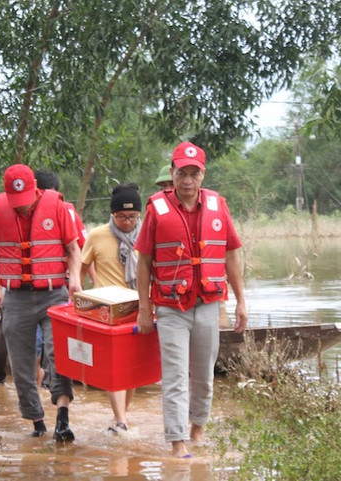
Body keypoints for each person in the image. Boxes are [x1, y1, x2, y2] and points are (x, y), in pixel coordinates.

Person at [135, 142, 248, 458]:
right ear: (172, 173)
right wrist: (144, 309)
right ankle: (177, 442)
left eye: (193, 173)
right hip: (171, 308)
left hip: (208, 305)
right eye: (181, 173)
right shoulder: (156, 209)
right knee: (174, 377)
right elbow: (143, 261)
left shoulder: (217, 206)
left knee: (204, 375)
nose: (187, 180)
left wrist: (240, 301)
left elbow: (231, 255)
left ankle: (198, 429)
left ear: (203, 174)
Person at [0, 164, 82, 443]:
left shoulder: (58, 207)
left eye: (26, 201)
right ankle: (37, 423)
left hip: (53, 294)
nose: (22, 208)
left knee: (58, 354)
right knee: (22, 364)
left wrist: (74, 279)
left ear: (36, 190)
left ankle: (62, 419)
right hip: (15, 297)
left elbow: (73, 248)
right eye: (16, 203)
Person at [80, 183, 143, 434]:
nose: (127, 222)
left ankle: (122, 417)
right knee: (113, 367)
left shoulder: (147, 234)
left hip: (138, 306)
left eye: (132, 217)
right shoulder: (96, 235)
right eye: (121, 216)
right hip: (107, 311)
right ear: (112, 214)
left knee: (132, 368)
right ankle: (120, 420)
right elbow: (82, 268)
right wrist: (81, 294)